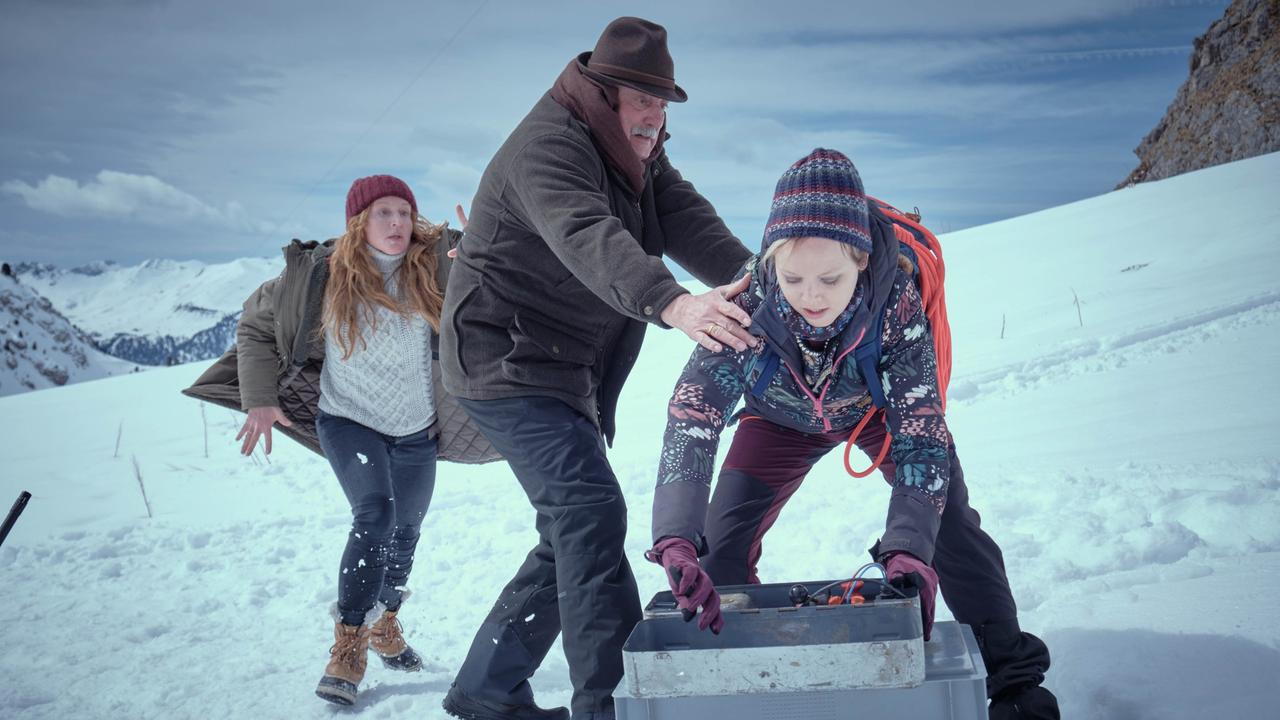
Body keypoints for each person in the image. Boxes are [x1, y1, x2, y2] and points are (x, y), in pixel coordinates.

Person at [647, 149, 1061, 720]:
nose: (810, 295)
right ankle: (739, 679)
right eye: (792, 277)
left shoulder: (897, 306)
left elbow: (920, 432)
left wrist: (910, 551)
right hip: (779, 421)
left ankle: (1014, 680)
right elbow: (693, 418)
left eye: (830, 278)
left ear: (861, 262)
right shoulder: (748, 309)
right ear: (770, 263)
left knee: (951, 526)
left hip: (877, 415)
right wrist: (675, 539)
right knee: (718, 547)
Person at [438, 16, 755, 720]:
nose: (655, 115)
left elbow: (683, 216)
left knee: (572, 528)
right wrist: (673, 304)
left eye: (664, 102)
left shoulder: (635, 149)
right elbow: (588, 234)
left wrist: (761, 285)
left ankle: (487, 689)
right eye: (643, 100)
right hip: (502, 355)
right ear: (602, 91)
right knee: (587, 510)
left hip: (561, 364)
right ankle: (609, 707)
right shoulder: (548, 146)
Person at [183, 175, 498, 707]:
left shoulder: (437, 262)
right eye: (383, 213)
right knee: (374, 514)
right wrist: (259, 397)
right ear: (358, 222)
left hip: (417, 425)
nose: (397, 223)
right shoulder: (319, 276)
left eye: (404, 212)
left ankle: (385, 621)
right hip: (348, 419)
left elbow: (500, 281)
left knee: (406, 530)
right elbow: (255, 328)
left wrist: (487, 242)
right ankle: (348, 642)